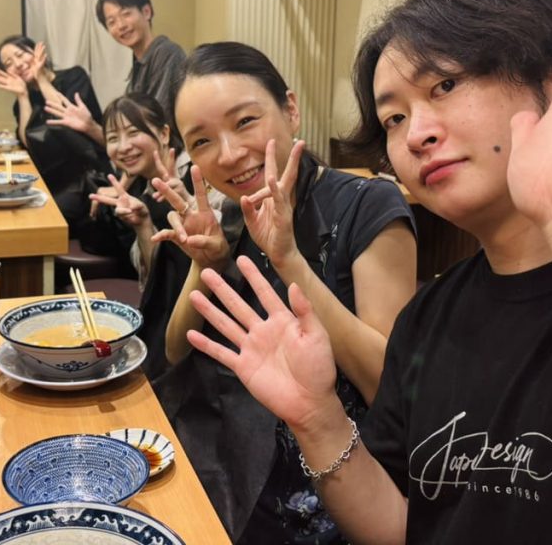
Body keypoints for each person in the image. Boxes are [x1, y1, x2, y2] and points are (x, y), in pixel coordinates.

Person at [185, 0, 552, 544]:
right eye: (394, 119)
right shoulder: (429, 318)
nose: (417, 134)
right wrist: (318, 419)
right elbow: (401, 525)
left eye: (446, 85)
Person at [149, 42, 417, 543]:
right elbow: (176, 351)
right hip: (225, 469)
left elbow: (389, 384)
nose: (229, 153)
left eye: (245, 121)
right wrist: (205, 264)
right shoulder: (230, 214)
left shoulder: (368, 206)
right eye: (202, 141)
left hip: (335, 494)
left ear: (290, 109)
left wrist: (289, 260)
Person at [88, 92, 197, 376]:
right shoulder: (142, 185)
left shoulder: (195, 173)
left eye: (134, 132)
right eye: (113, 138)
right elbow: (156, 278)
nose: (124, 147)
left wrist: (188, 203)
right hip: (171, 314)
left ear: (164, 133)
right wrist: (143, 224)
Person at [0, 36, 111, 238]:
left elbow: (67, 119)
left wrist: (41, 78)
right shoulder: (23, 101)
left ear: (35, 51)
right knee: (11, 215)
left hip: (88, 179)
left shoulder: (74, 77)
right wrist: (22, 97)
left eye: (20, 54)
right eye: (8, 64)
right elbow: (29, 143)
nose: (17, 64)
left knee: (37, 224)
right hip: (54, 182)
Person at [43, 0, 187, 145]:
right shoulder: (138, 67)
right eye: (111, 22)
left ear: (146, 12)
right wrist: (90, 127)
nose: (121, 26)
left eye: (126, 14)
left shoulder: (166, 53)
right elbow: (131, 139)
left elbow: (151, 127)